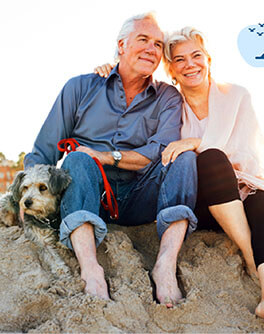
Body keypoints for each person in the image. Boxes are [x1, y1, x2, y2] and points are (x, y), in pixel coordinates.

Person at [95, 27, 264, 327]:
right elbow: (131, 95)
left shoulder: (236, 95)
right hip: (201, 201)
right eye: (180, 59)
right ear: (171, 69)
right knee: (210, 161)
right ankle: (251, 257)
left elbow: (242, 150)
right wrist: (109, 71)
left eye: (196, 56)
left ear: (208, 59)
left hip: (243, 188)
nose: (190, 64)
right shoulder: (167, 104)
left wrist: (194, 142)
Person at [24, 13, 198, 307]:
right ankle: (91, 268)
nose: (151, 49)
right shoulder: (80, 87)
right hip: (89, 194)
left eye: (157, 44)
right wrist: (26, 194)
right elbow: (44, 151)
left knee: (184, 157)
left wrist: (106, 156)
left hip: (141, 195)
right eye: (143, 40)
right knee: (78, 158)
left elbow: (159, 152)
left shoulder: (168, 97)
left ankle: (165, 266)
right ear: (121, 45)